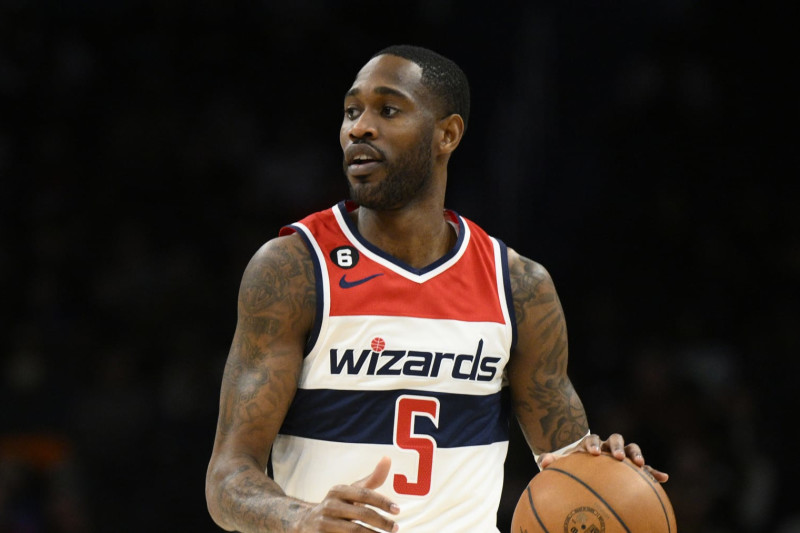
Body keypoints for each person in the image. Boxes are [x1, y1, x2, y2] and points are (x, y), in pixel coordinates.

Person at [205, 44, 668, 532]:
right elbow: (227, 478)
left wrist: (607, 469)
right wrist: (300, 518)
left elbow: (571, 470)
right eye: (350, 111)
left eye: (387, 110)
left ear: (447, 134)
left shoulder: (517, 286)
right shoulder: (295, 269)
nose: (359, 127)